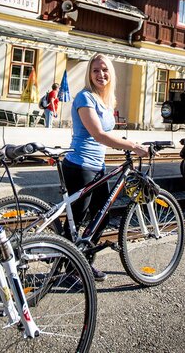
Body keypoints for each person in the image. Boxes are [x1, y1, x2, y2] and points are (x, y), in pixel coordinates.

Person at [62, 54, 148, 281]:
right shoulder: (85, 98)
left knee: (102, 217)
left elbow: (108, 132)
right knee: (77, 221)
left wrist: (130, 142)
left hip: (97, 166)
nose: (101, 75)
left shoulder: (104, 99)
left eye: (104, 70)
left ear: (111, 73)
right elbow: (98, 134)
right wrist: (132, 145)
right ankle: (71, 268)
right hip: (80, 166)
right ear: (89, 74)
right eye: (95, 71)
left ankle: (81, 262)